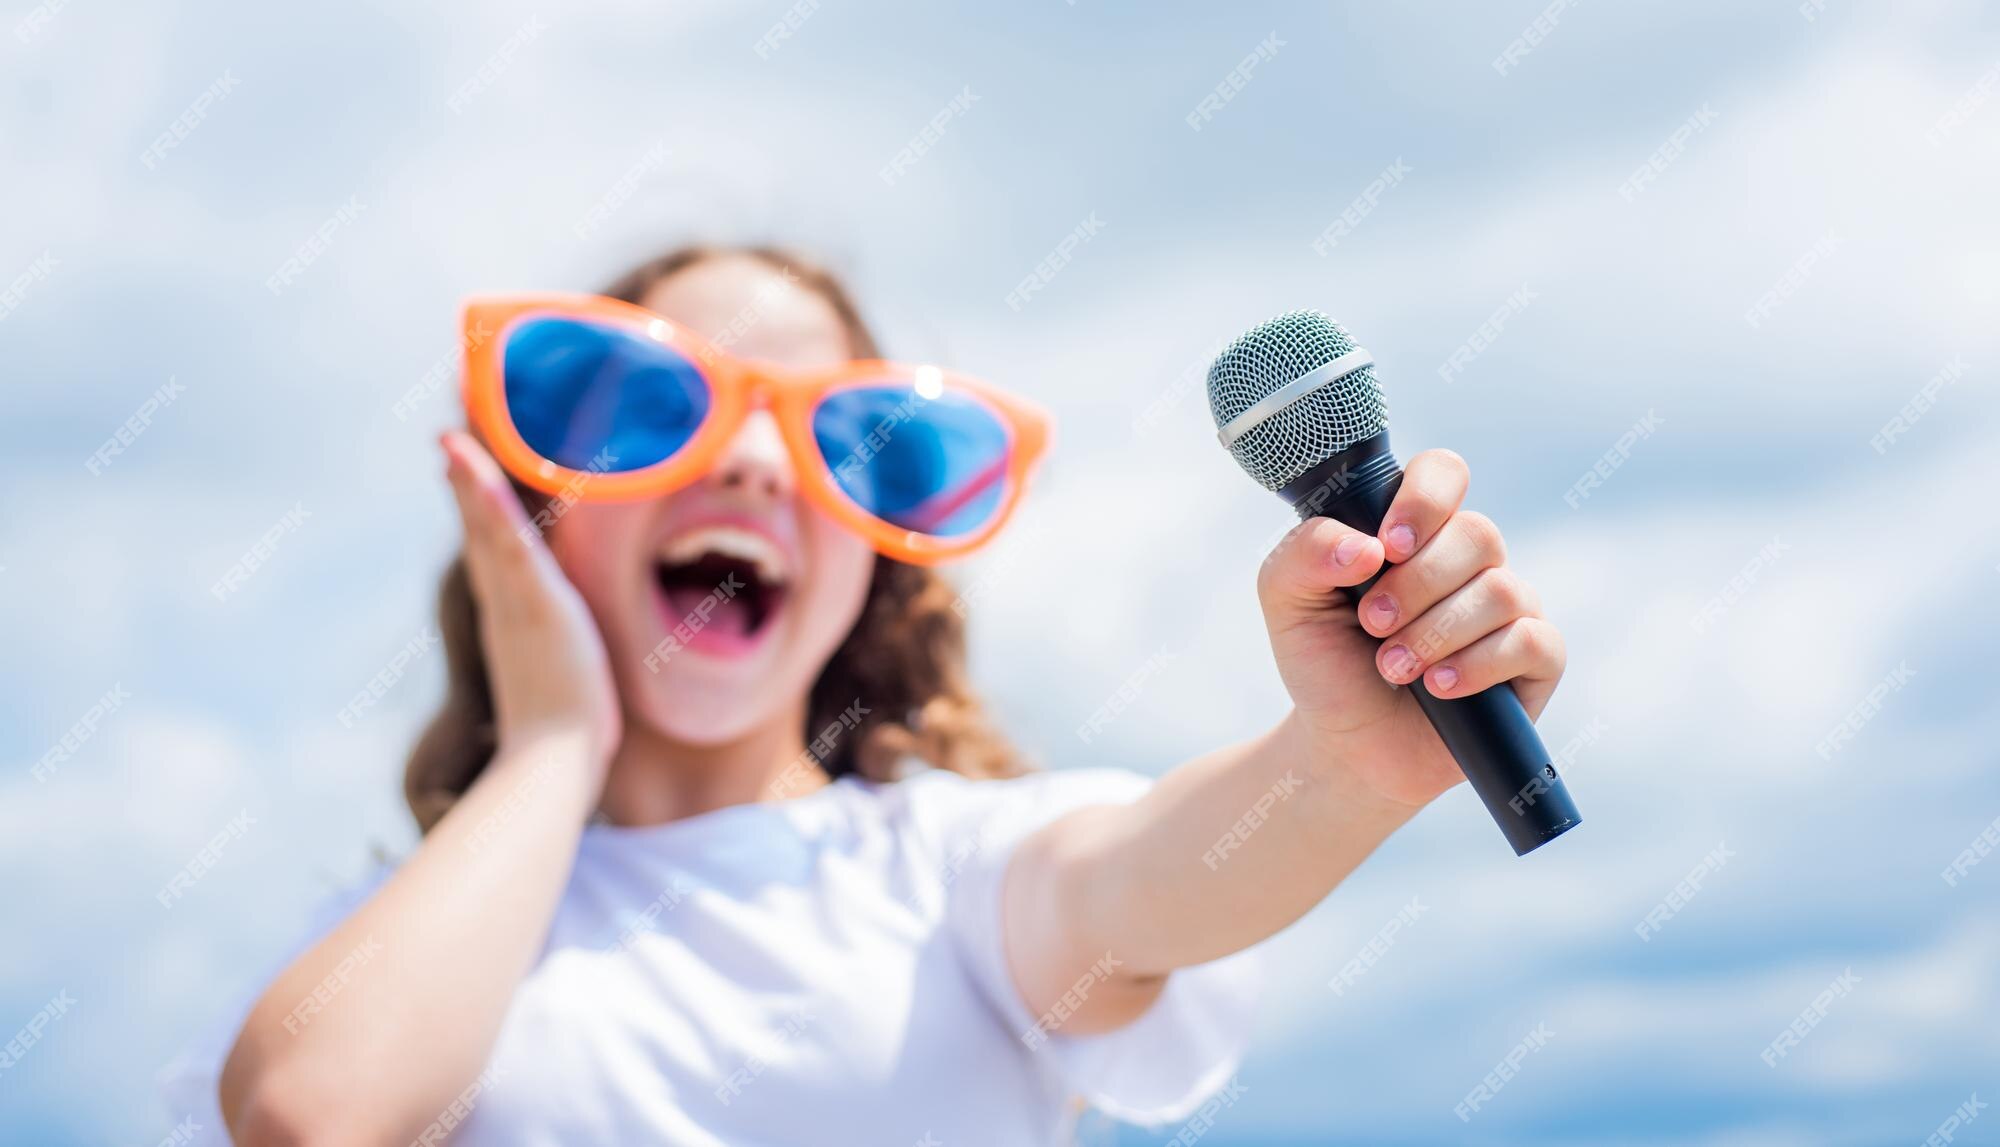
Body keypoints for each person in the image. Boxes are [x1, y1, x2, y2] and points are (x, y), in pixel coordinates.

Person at [167, 244, 1566, 1145]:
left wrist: (1340, 771)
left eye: (831, 436)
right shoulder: (388, 939)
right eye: (663, 407)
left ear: (869, 566)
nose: (759, 467)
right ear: (537, 519)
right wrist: (552, 746)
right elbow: (309, 1113)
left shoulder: (950, 871)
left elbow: (1133, 885)